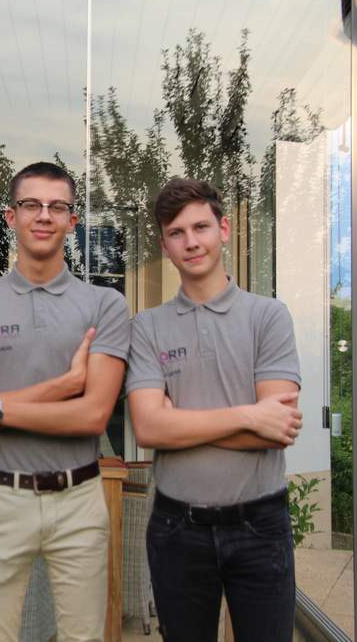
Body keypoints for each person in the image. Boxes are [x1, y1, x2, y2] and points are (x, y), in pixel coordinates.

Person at [0, 161, 130, 641]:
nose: (44, 215)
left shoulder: (105, 305)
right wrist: (63, 387)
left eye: (57, 207)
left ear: (72, 220)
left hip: (79, 500)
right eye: (31, 204)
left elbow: (93, 416)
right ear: (12, 216)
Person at [126, 178, 303, 641]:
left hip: (259, 526)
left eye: (200, 227)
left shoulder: (268, 316)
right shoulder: (147, 327)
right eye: (176, 233)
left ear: (223, 230)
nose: (191, 242)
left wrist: (177, 423)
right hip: (177, 529)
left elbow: (278, 428)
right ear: (165, 246)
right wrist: (249, 415)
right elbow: (147, 428)